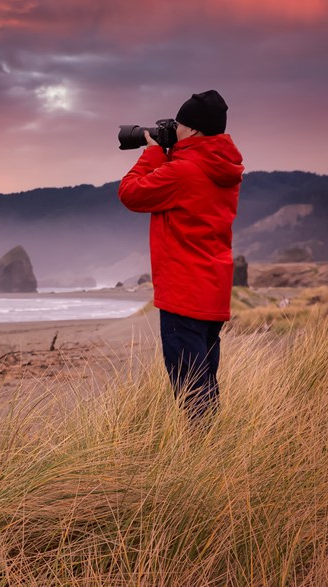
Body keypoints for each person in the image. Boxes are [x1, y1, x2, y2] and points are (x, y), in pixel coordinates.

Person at [118, 90, 244, 420]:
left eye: (180, 124)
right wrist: (170, 152)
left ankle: (201, 462)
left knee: (190, 391)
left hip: (183, 294)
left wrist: (153, 153)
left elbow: (130, 193)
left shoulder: (183, 172)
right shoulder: (225, 170)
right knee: (205, 383)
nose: (176, 128)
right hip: (212, 293)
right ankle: (215, 451)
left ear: (193, 130)